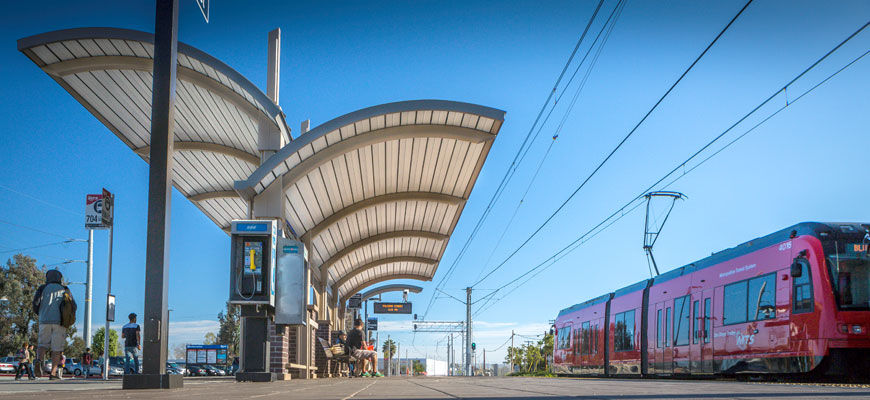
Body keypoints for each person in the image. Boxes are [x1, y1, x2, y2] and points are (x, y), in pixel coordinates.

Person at [32, 269, 73, 380]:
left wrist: (41, 313)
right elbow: (72, 305)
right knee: (57, 349)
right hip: (60, 322)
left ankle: (39, 361)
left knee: (42, 345)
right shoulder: (65, 289)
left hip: (44, 320)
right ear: (60, 278)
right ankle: (53, 373)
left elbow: (35, 304)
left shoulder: (42, 288)